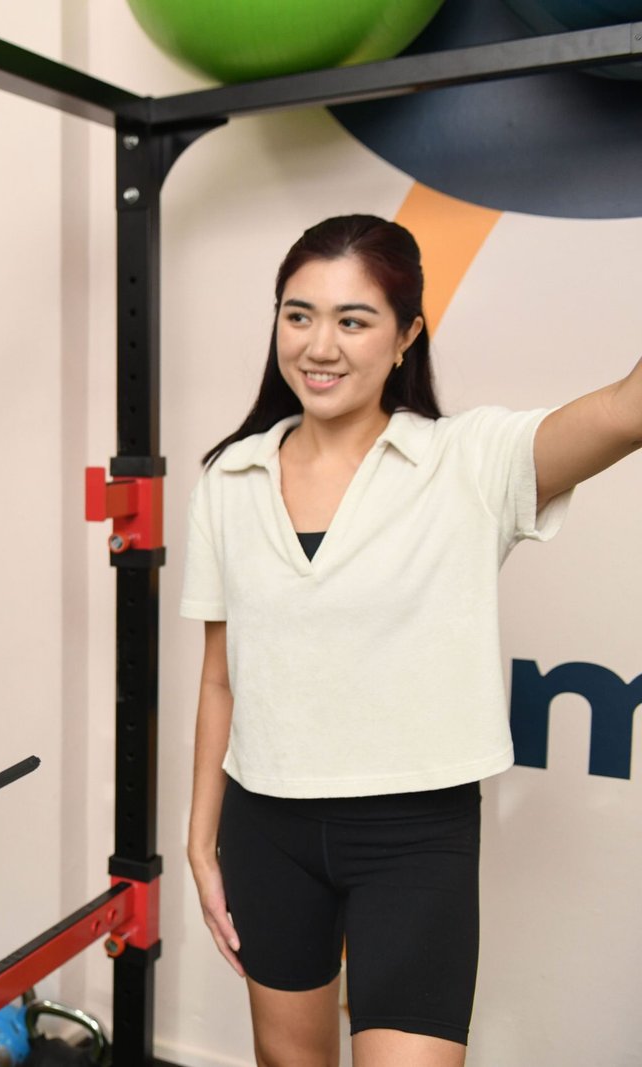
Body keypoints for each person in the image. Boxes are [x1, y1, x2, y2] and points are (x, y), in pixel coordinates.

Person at [180, 215, 641, 1067]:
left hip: (414, 838)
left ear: (406, 337)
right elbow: (220, 677)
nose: (320, 344)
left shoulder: (468, 460)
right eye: (298, 313)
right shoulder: (230, 476)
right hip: (265, 828)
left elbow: (625, 408)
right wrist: (200, 839)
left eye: (354, 320)